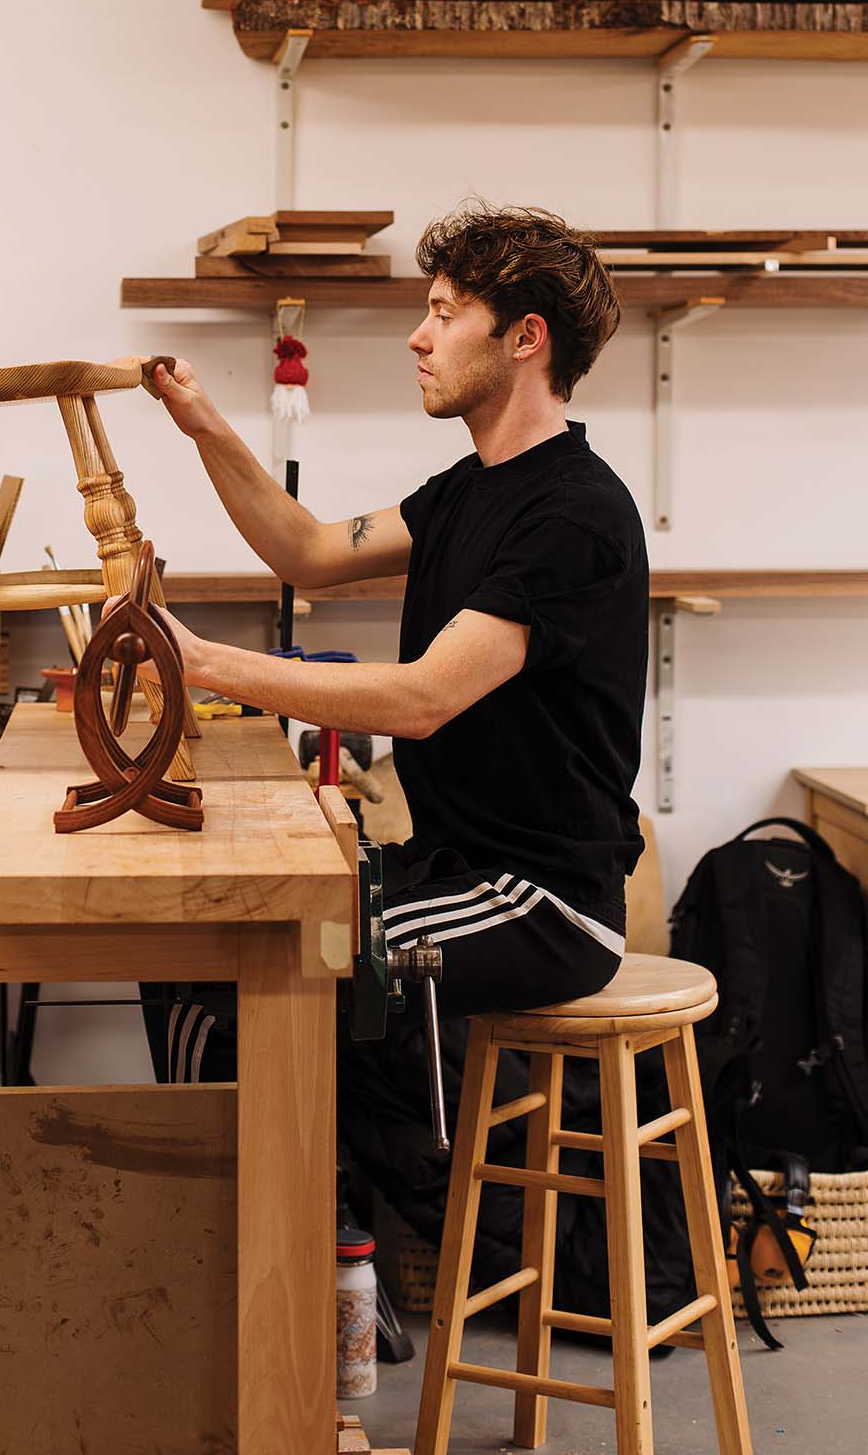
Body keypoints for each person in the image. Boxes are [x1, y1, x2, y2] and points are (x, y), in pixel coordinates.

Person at [143, 202, 648, 1083]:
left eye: (446, 314)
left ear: (525, 337)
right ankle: (270, 1207)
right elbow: (306, 549)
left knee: (263, 972)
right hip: (452, 868)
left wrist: (204, 663)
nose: (419, 338)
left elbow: (423, 699)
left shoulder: (575, 515)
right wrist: (207, 429)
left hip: (540, 902)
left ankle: (293, 1214)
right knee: (201, 937)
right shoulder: (465, 490)